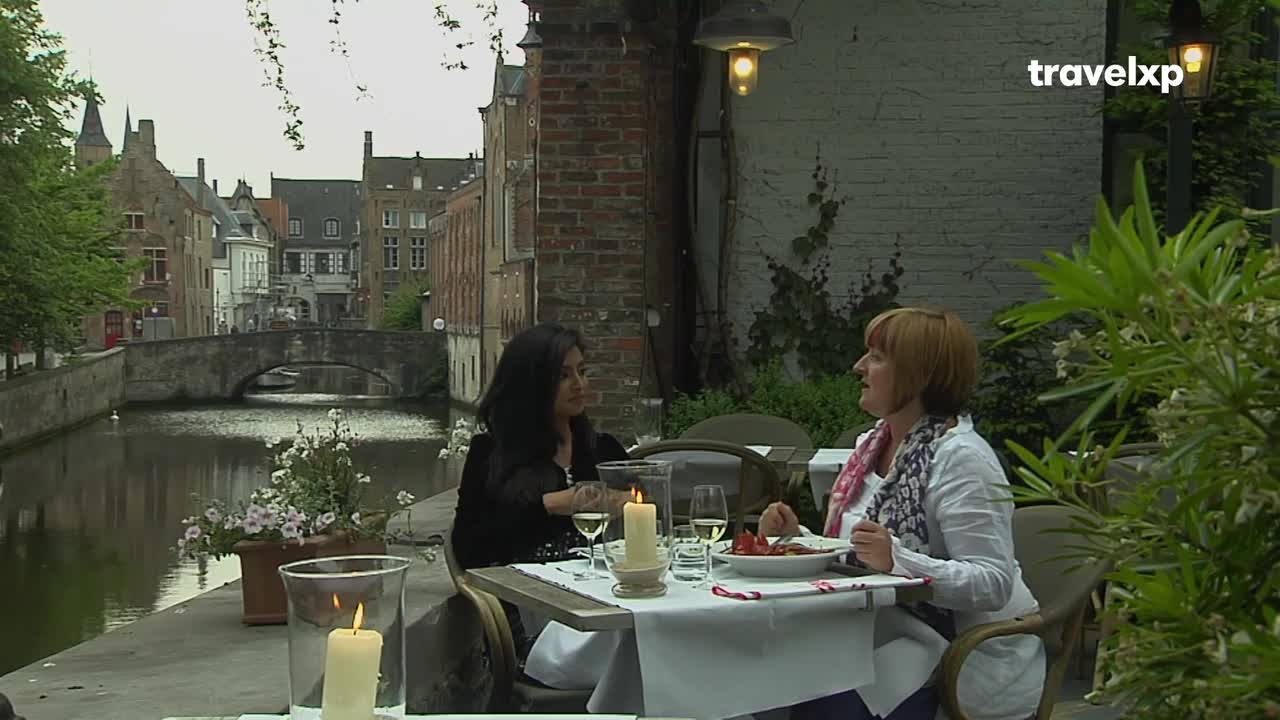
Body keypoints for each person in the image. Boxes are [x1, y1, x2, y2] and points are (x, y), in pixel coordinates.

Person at [759, 306, 1044, 720]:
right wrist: (794, 536)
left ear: (917, 374)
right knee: (759, 678)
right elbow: (856, 551)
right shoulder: (873, 443)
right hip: (879, 629)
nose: (859, 367)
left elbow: (993, 583)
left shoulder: (962, 458)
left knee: (814, 697)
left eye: (875, 357)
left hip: (960, 651)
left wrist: (898, 560)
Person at [451, 321, 631, 570]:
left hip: (603, 591)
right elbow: (468, 550)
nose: (579, 384)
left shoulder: (604, 450)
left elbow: (647, 522)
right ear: (531, 383)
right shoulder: (491, 453)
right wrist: (550, 505)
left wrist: (629, 504)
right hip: (526, 597)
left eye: (582, 371)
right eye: (563, 376)